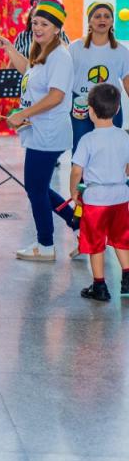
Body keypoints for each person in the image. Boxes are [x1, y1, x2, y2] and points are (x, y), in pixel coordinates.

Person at [0, 0, 76, 261]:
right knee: (37, 187)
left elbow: (56, 96)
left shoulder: (60, 56)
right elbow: (27, 71)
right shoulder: (40, 50)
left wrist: (23, 114)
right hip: (39, 130)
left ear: (56, 28)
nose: (38, 28)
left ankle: (46, 246)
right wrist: (9, 48)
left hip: (49, 133)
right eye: (35, 23)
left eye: (44, 24)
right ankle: (77, 223)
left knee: (35, 189)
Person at [70, 83, 129, 301]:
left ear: (91, 111)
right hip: (121, 197)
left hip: (96, 200)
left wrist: (74, 191)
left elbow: (77, 170)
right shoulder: (124, 137)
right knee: (122, 238)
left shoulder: (88, 140)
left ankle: (99, 286)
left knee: (96, 243)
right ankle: (127, 278)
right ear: (116, 109)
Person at [69, 1, 129, 153]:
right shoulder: (75, 47)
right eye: (97, 16)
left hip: (111, 105)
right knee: (80, 148)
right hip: (81, 104)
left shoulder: (121, 51)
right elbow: (64, 78)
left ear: (111, 21)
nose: (102, 19)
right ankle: (81, 178)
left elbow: (127, 81)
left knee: (111, 150)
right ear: (89, 21)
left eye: (107, 16)